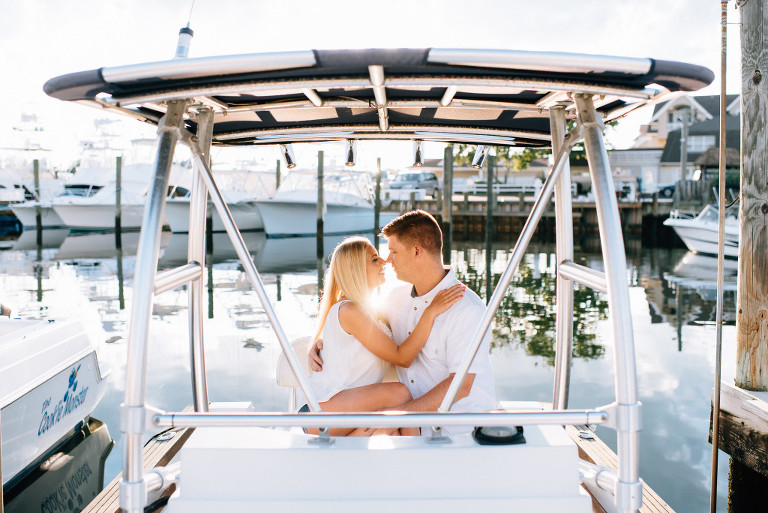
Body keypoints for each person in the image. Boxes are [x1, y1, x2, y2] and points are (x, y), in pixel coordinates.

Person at [311, 210, 497, 436]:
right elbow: (357, 331)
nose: (387, 260)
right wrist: (320, 344)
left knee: (384, 424)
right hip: (410, 423)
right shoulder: (396, 299)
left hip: (460, 431)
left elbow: (461, 385)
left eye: (393, 251)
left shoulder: (465, 308)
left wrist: (399, 413)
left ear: (416, 251)